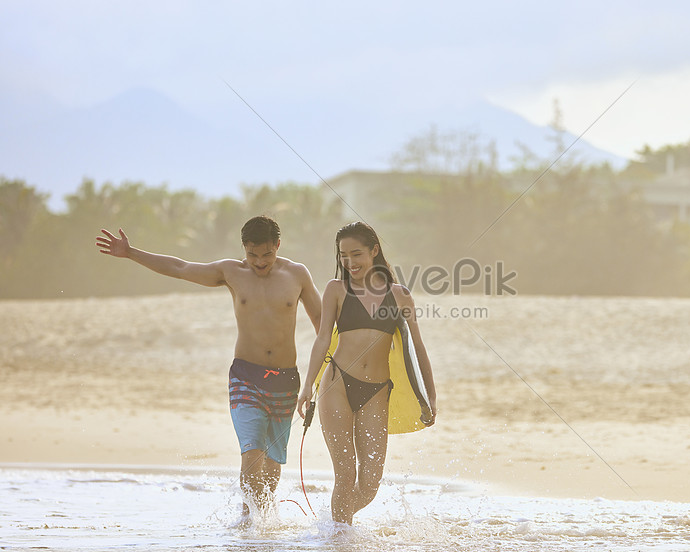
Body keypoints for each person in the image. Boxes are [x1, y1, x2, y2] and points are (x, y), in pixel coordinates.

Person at [95, 216, 322, 519]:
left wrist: (325, 373)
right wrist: (132, 252)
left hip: (285, 381)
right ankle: (247, 527)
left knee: (272, 467)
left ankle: (262, 527)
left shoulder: (297, 275)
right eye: (252, 254)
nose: (259, 262)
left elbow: (323, 324)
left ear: (278, 246)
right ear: (244, 248)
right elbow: (179, 267)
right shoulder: (231, 272)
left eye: (267, 254)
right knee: (252, 454)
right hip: (246, 377)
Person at [297, 221, 436, 525]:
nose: (349, 262)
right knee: (345, 474)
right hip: (337, 384)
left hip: (377, 390)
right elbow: (322, 339)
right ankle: (339, 542)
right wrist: (308, 386)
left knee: (370, 484)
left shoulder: (400, 296)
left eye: (356, 254)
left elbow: (417, 349)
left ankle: (333, 526)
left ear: (374, 251)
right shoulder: (336, 289)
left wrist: (430, 396)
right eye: (343, 256)